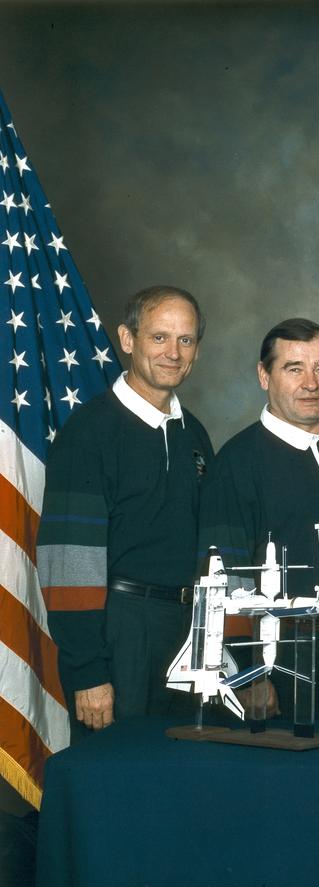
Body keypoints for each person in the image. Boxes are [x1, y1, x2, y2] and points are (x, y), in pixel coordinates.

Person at [37, 286, 213, 739]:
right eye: (159, 338)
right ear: (127, 339)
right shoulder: (90, 433)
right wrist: (89, 671)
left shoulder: (193, 434)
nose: (173, 353)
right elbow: (68, 565)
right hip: (119, 632)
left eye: (186, 340)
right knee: (117, 780)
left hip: (185, 630)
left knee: (178, 777)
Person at [198, 318, 319, 720]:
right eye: (294, 368)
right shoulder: (237, 462)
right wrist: (246, 675)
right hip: (277, 659)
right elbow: (223, 575)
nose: (310, 383)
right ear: (264, 375)